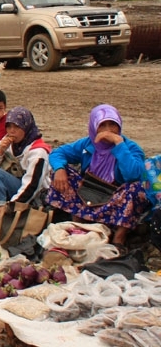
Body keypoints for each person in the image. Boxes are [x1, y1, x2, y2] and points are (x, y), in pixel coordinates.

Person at [45, 104, 150, 245]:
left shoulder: (130, 148)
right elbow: (58, 153)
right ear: (94, 127)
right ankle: (79, 223)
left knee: (137, 189)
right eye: (103, 125)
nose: (108, 131)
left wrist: (119, 145)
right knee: (62, 173)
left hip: (115, 197)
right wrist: (59, 169)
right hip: (88, 192)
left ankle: (119, 238)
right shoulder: (87, 144)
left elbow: (133, 175)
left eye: (112, 125)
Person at [0, 107, 51, 233]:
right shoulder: (7, 143)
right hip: (9, 186)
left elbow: (33, 185)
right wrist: (0, 152)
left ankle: (0, 221)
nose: (12, 131)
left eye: (16, 127)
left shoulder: (38, 152)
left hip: (31, 195)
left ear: (26, 128)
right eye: (9, 127)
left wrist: (10, 206)